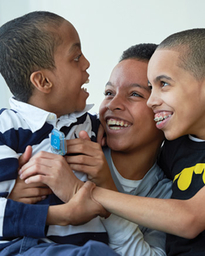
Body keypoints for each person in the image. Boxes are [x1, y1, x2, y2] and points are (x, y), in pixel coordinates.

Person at [21, 28, 205, 255]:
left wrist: (86, 191)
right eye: (108, 92)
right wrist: (11, 192)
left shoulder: (166, 174)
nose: (154, 101)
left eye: (162, 84)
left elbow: (189, 218)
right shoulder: (175, 147)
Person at [12, 43, 172, 256]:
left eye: (134, 94)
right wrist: (11, 195)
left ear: (162, 109)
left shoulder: (165, 193)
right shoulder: (68, 150)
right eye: (109, 92)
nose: (113, 104)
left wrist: (103, 187)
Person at [0, 11, 118, 256]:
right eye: (76, 58)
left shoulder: (93, 127)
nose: (87, 64)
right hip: (24, 248)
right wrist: (64, 215)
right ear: (43, 82)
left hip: (87, 248)